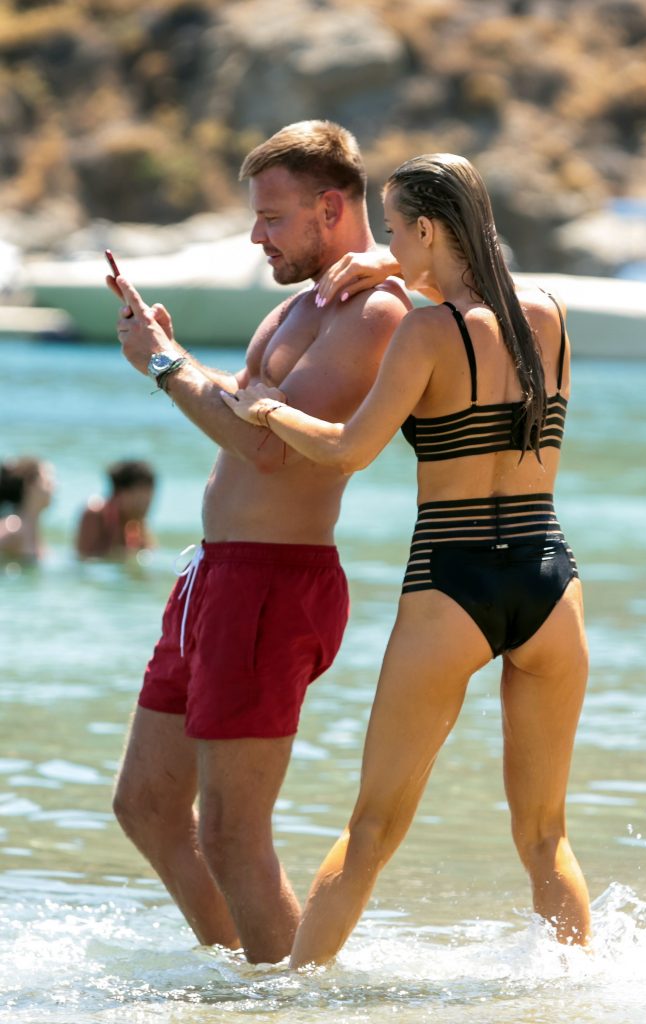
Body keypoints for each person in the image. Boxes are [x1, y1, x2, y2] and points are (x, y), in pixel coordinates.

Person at [222, 152, 592, 967]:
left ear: (427, 229)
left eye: (393, 231)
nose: (386, 246)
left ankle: (295, 1005)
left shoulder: (427, 333)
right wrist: (397, 265)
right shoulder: (549, 313)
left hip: (450, 584)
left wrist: (268, 407)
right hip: (548, 578)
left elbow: (347, 449)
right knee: (544, 835)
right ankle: (577, 998)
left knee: (370, 831)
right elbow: (478, 284)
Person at [106, 120, 411, 964]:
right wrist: (164, 351)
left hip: (273, 583)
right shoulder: (295, 308)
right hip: (213, 575)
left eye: (272, 218)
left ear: (330, 208)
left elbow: (270, 447)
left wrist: (164, 364)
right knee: (146, 805)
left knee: (233, 832)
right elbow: (234, 408)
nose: (255, 237)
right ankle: (246, 981)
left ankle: (287, 1002)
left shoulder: (375, 313)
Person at [75, 459, 156, 559]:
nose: (146, 505)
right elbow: (85, 558)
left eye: (149, 498)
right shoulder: (95, 514)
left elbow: (150, 553)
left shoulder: (137, 521)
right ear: (119, 493)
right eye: (140, 499)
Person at [0, 456, 55, 563]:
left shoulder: (35, 534)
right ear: (29, 485)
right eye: (48, 483)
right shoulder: (12, 529)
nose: (54, 488)